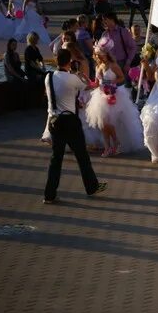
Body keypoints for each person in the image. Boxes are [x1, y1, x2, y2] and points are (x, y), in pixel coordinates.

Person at [43, 48, 107, 204]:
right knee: (82, 156)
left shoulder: (48, 77)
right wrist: (79, 74)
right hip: (70, 121)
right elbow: (90, 86)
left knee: (56, 159)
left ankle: (49, 195)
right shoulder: (72, 78)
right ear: (69, 61)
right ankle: (92, 186)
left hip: (54, 121)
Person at [86, 44, 144, 157]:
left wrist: (112, 83)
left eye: (102, 55)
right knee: (102, 124)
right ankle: (107, 147)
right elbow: (96, 83)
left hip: (113, 95)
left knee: (109, 123)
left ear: (107, 54)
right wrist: (86, 82)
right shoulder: (98, 67)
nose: (100, 57)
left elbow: (122, 77)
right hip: (100, 96)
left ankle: (116, 142)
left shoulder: (113, 65)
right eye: (97, 55)